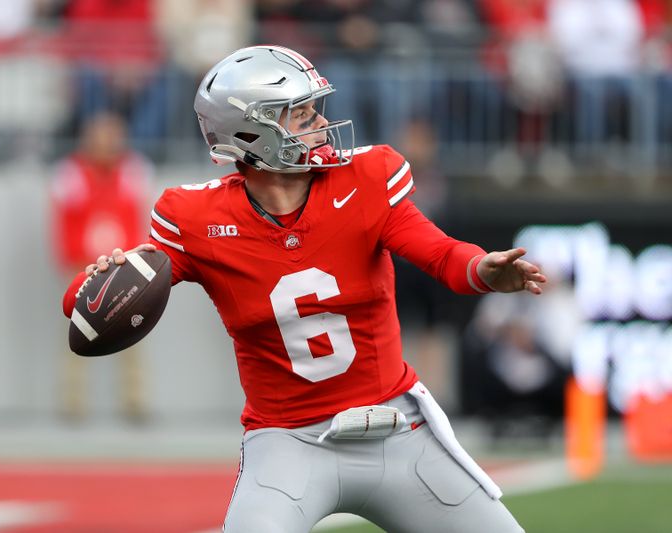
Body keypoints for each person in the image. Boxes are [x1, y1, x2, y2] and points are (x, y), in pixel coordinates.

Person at [62, 46, 544, 532]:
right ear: (251, 134)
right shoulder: (196, 218)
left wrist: (483, 269)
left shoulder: (367, 178)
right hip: (287, 443)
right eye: (300, 114)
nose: (319, 122)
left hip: (397, 429)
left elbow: (441, 255)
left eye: (314, 108)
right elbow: (85, 308)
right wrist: (97, 281)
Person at [51, 112, 153, 421]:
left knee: (133, 330)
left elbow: (139, 215)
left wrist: (141, 259)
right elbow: (62, 220)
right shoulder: (70, 172)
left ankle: (134, 402)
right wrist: (69, 259)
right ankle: (73, 403)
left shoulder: (134, 169)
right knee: (77, 333)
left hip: (124, 264)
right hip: (84, 266)